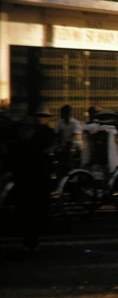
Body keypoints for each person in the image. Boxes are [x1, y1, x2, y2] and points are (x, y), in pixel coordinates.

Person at [13, 107, 55, 250]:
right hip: (26, 183)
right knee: (27, 212)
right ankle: (29, 238)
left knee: (33, 211)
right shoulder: (20, 145)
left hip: (35, 184)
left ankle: (31, 238)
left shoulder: (40, 140)